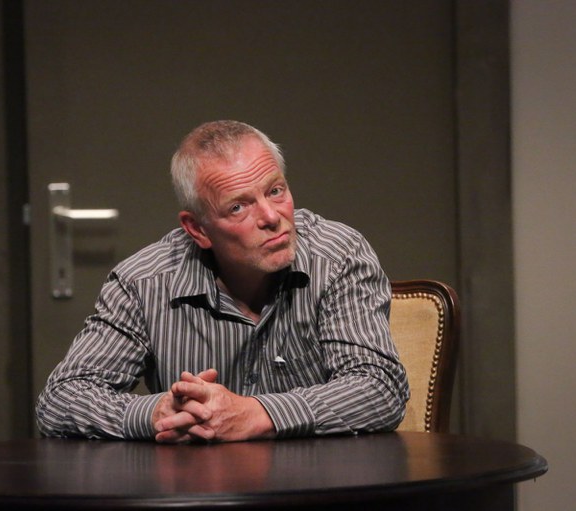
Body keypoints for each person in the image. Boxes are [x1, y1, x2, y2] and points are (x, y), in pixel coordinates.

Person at [36, 120, 409, 443]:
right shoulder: (143, 283)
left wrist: (257, 414)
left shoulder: (338, 257)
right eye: (238, 207)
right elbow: (60, 399)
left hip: (320, 484)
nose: (271, 217)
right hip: (197, 488)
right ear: (197, 229)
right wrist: (158, 412)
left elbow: (379, 388)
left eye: (275, 191)